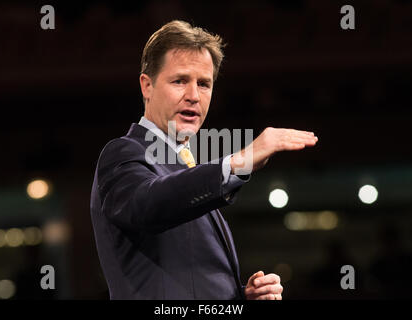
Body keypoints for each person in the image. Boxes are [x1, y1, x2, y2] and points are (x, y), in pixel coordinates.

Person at [90, 20, 318, 300]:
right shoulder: (123, 153)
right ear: (146, 86)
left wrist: (239, 297)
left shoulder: (187, 167)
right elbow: (148, 204)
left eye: (204, 84)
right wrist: (238, 161)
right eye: (179, 81)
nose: (194, 96)